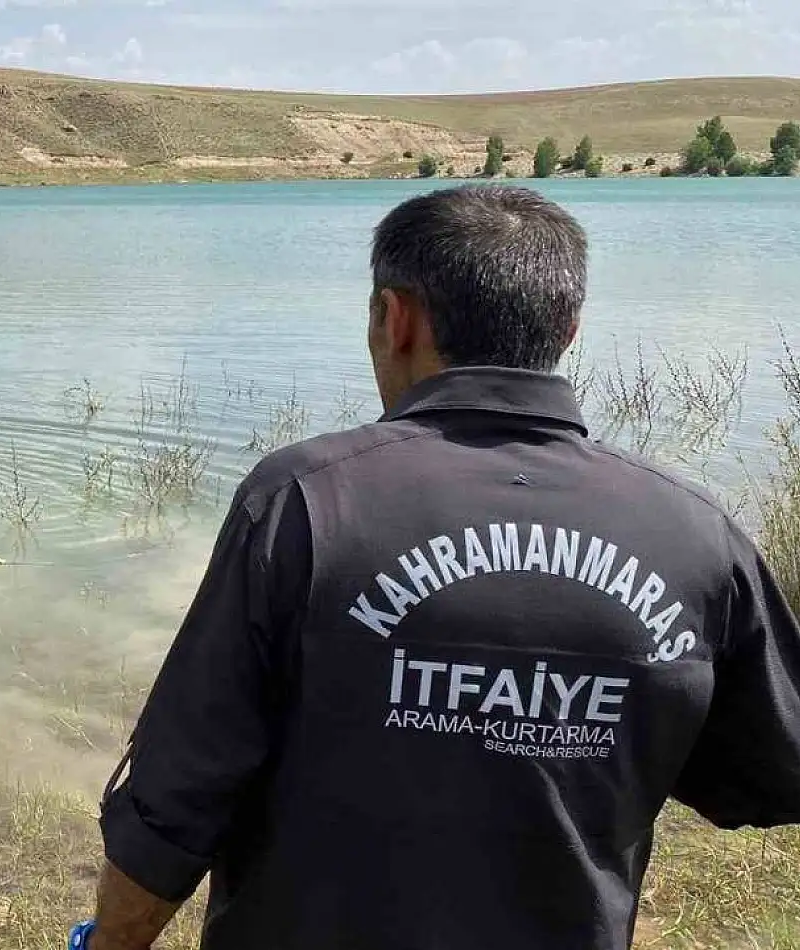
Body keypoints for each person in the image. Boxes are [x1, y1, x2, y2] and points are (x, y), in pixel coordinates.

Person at [74, 185, 800, 950]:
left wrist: (109, 943)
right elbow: (770, 773)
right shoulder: (693, 530)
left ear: (397, 318)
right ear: (569, 326)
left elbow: (177, 791)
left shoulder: (305, 502)